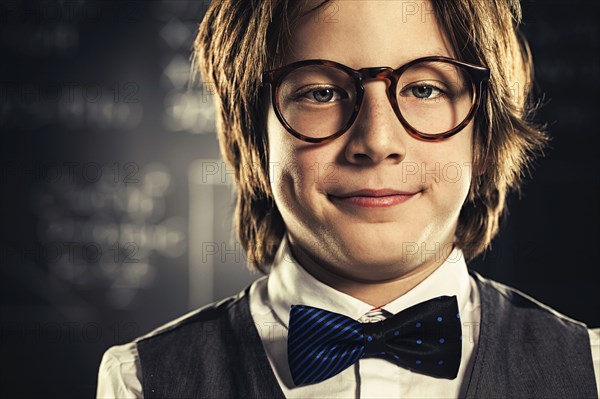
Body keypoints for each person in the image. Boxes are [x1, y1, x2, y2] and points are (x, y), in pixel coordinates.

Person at [96, 0, 599, 397]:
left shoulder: (591, 372)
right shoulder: (140, 382)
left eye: (424, 89)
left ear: (484, 138)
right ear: (255, 138)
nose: (377, 141)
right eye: (321, 92)